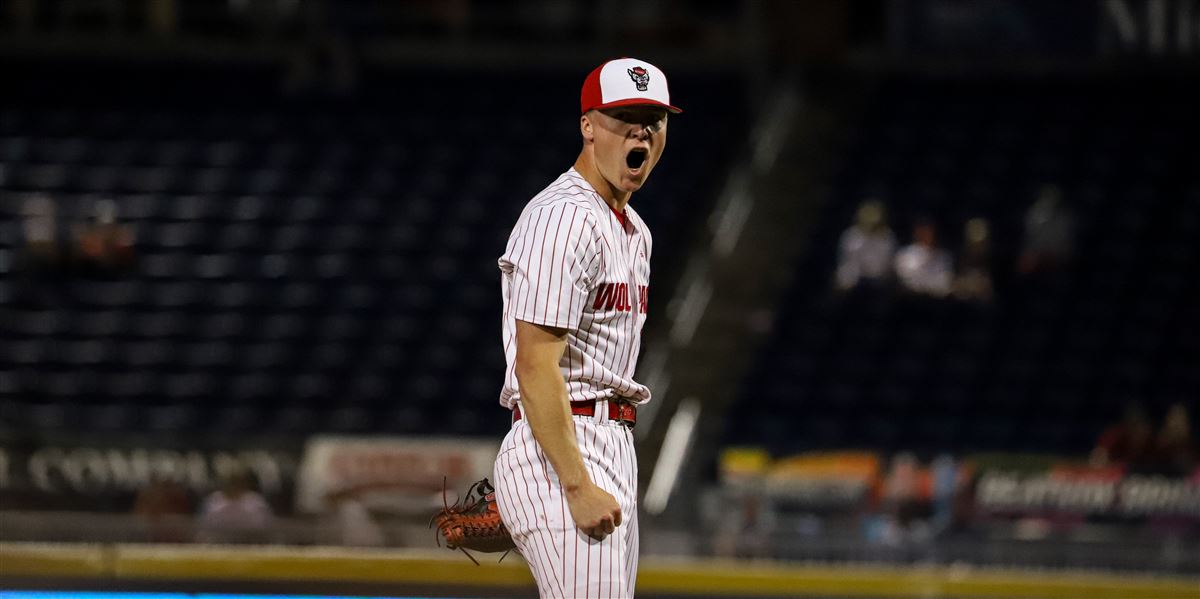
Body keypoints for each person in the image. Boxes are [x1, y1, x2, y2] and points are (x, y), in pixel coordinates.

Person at [491, 57, 679, 598]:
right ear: (588, 126)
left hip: (611, 440)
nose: (641, 130)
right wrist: (575, 485)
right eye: (624, 116)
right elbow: (533, 363)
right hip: (561, 447)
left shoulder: (633, 230)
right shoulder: (564, 217)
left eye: (654, 118)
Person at [197, 469, 274, 544]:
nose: (234, 486)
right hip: (218, 546)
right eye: (231, 482)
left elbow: (266, 529)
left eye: (237, 482)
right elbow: (202, 528)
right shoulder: (213, 502)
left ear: (244, 483)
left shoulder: (256, 502)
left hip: (250, 545)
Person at [834, 199, 896, 292]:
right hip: (855, 280)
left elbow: (887, 263)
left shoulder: (887, 236)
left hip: (879, 281)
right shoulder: (851, 235)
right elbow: (847, 262)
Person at [1018, 184, 1075, 275]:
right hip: (1037, 256)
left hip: (1057, 257)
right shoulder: (1034, 214)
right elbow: (1030, 240)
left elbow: (1065, 245)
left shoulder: (1065, 217)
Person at [894, 219, 953, 298]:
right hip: (911, 299)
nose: (927, 235)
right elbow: (907, 281)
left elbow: (944, 283)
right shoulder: (905, 254)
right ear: (916, 232)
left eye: (929, 231)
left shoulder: (944, 256)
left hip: (936, 301)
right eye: (923, 231)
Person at [1091, 403, 1154, 468]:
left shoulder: (1150, 441)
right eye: (1133, 425)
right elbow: (1097, 460)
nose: (1138, 429)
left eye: (1141, 425)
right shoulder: (1115, 436)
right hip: (1114, 472)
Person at [953, 217, 994, 302]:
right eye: (974, 243)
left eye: (981, 243)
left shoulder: (993, 263)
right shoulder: (958, 261)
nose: (977, 247)